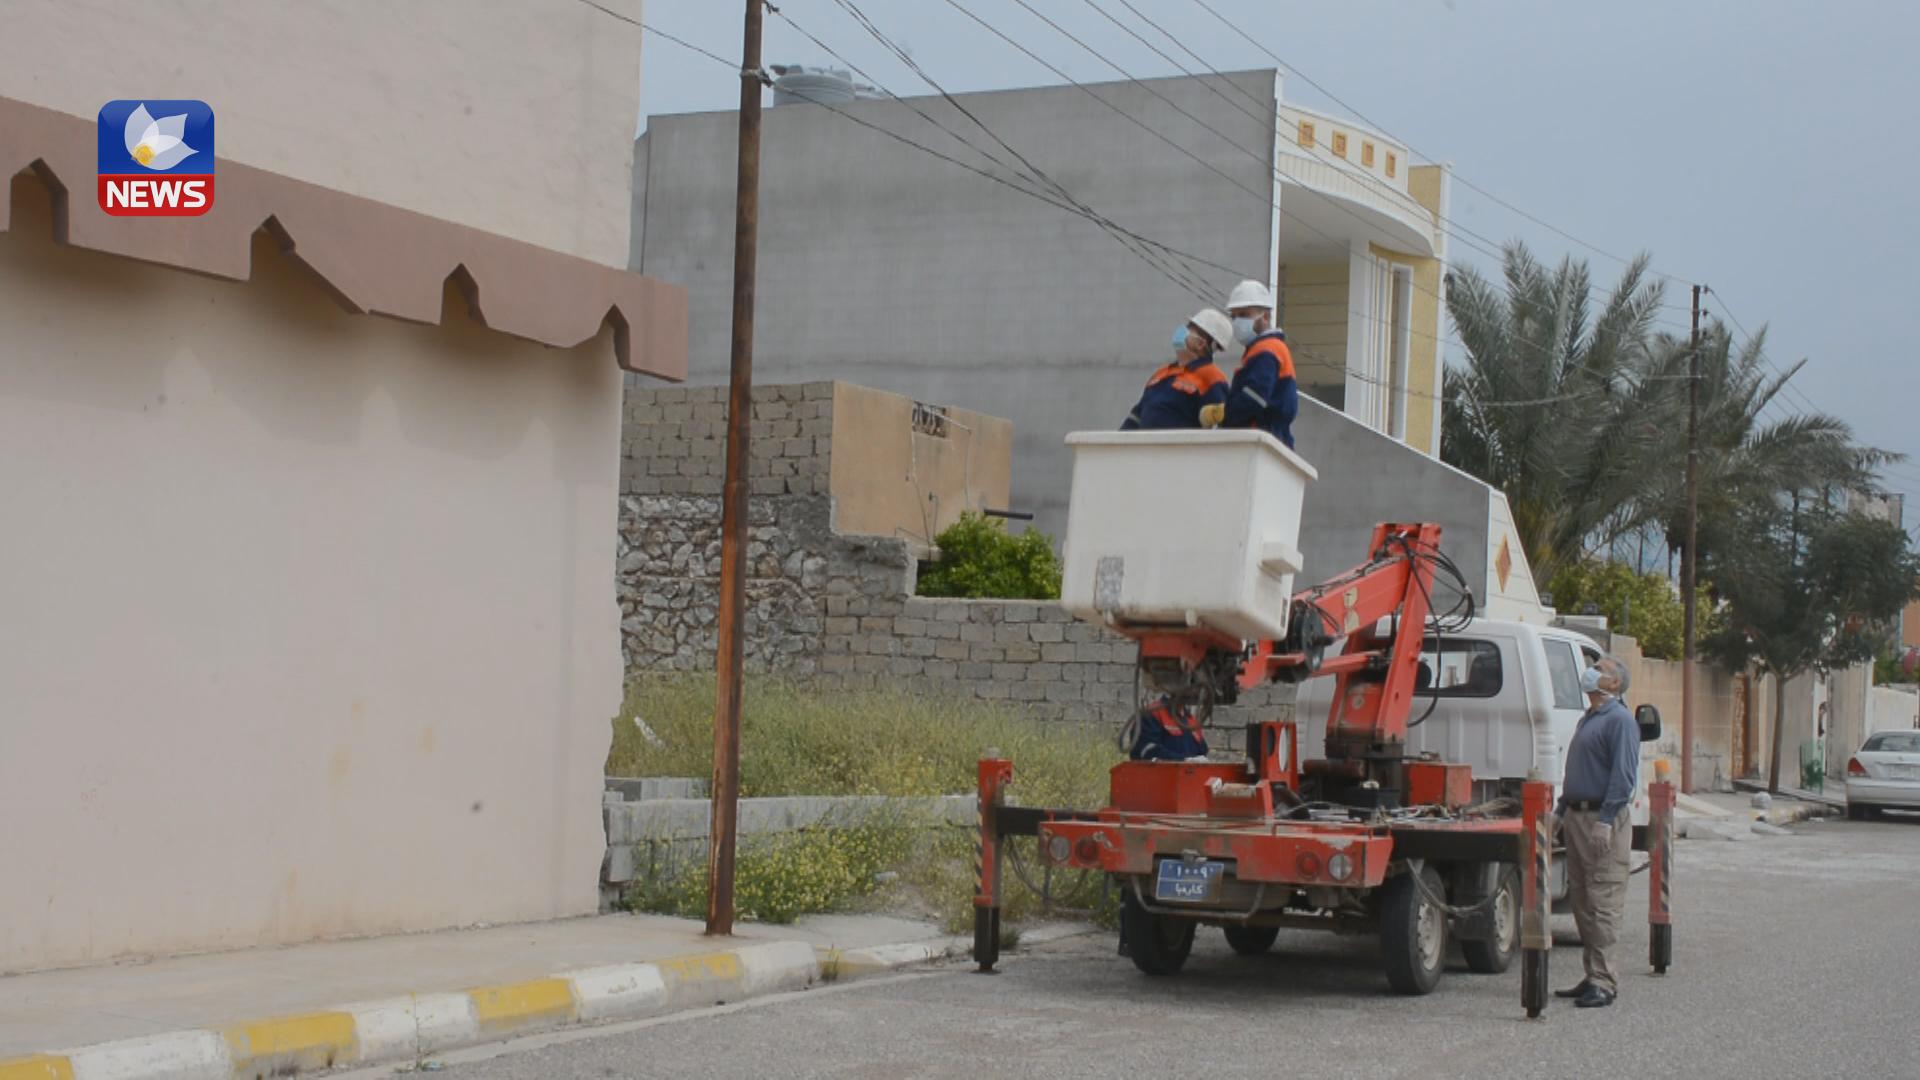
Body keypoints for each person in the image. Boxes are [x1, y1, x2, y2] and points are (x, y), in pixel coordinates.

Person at [1553, 655, 1639, 1009]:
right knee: (1583, 900)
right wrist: (1560, 811)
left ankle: (1604, 981)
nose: (1591, 672)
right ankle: (1592, 975)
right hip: (1577, 816)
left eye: (1600, 669)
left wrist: (1605, 820)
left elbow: (1623, 777)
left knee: (1603, 900)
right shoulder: (1589, 718)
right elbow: (1576, 771)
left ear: (1615, 684)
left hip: (1601, 819)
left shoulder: (1620, 721)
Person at [1199, 279, 1299, 448]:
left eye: (1244, 315)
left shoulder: (1267, 350)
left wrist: (1222, 414)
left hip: (1264, 438)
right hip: (1269, 438)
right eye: (1234, 316)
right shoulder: (1263, 350)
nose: (1237, 321)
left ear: (1265, 317)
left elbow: (1253, 398)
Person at [1120, 309, 1232, 431]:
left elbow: (1219, 423)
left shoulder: (1212, 377)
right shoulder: (1162, 373)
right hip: (1147, 448)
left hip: (1181, 448)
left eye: (1190, 328)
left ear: (1200, 343)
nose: (1183, 330)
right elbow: (1137, 415)